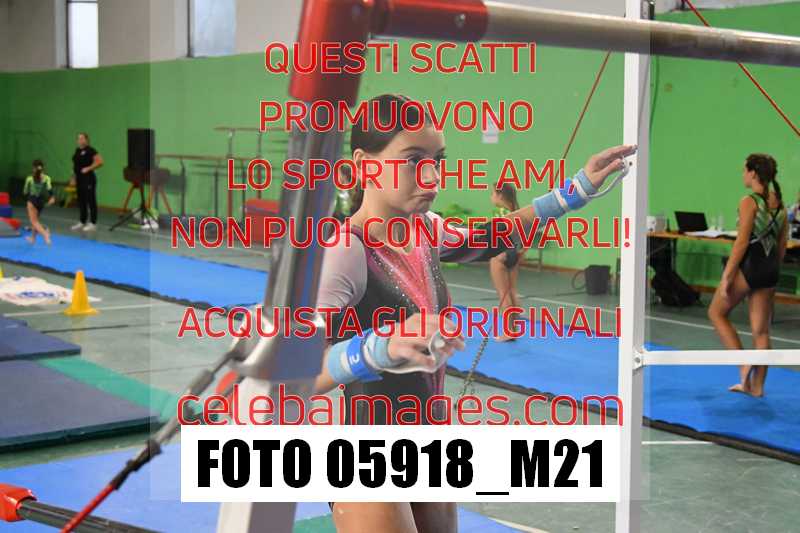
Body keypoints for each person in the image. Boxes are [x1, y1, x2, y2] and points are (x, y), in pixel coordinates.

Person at [311, 94, 636, 533]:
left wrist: (573, 193)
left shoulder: (426, 230)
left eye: (438, 161)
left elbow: (493, 236)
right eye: (413, 161)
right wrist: (374, 350)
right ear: (364, 164)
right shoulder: (346, 250)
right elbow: (291, 374)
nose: (432, 178)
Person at [708, 154, 788, 397]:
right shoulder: (780, 204)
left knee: (716, 312)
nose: (742, 174)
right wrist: (772, 272)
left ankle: (744, 366)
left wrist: (727, 276)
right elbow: (782, 245)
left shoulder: (749, 201)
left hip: (750, 267)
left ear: (753, 173)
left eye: (744, 170)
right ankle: (757, 388)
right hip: (770, 269)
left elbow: (742, 242)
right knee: (761, 332)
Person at [489, 182, 524, 342]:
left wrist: (499, 252)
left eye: (492, 194)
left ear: (500, 195)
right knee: (512, 291)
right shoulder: (517, 212)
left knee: (503, 294)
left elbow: (497, 235)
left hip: (500, 255)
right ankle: (514, 329)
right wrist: (520, 252)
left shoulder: (500, 212)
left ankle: (508, 332)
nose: (491, 197)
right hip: (514, 254)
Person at [70, 132, 104, 231]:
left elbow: (100, 162)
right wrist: (73, 177)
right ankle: (82, 221)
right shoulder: (77, 151)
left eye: (82, 138)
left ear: (86, 140)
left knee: (91, 200)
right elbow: (74, 166)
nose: (80, 140)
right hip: (79, 179)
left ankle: (93, 223)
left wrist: (88, 168)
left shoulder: (91, 150)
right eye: (78, 138)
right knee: (81, 201)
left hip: (88, 179)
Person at [23, 159, 56, 245]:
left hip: (32, 200)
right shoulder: (47, 178)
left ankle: (45, 234)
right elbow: (49, 188)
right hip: (41, 201)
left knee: (34, 221)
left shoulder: (29, 178)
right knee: (36, 220)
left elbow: (25, 191)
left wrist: (27, 194)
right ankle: (32, 238)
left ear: (33, 168)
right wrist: (52, 197)